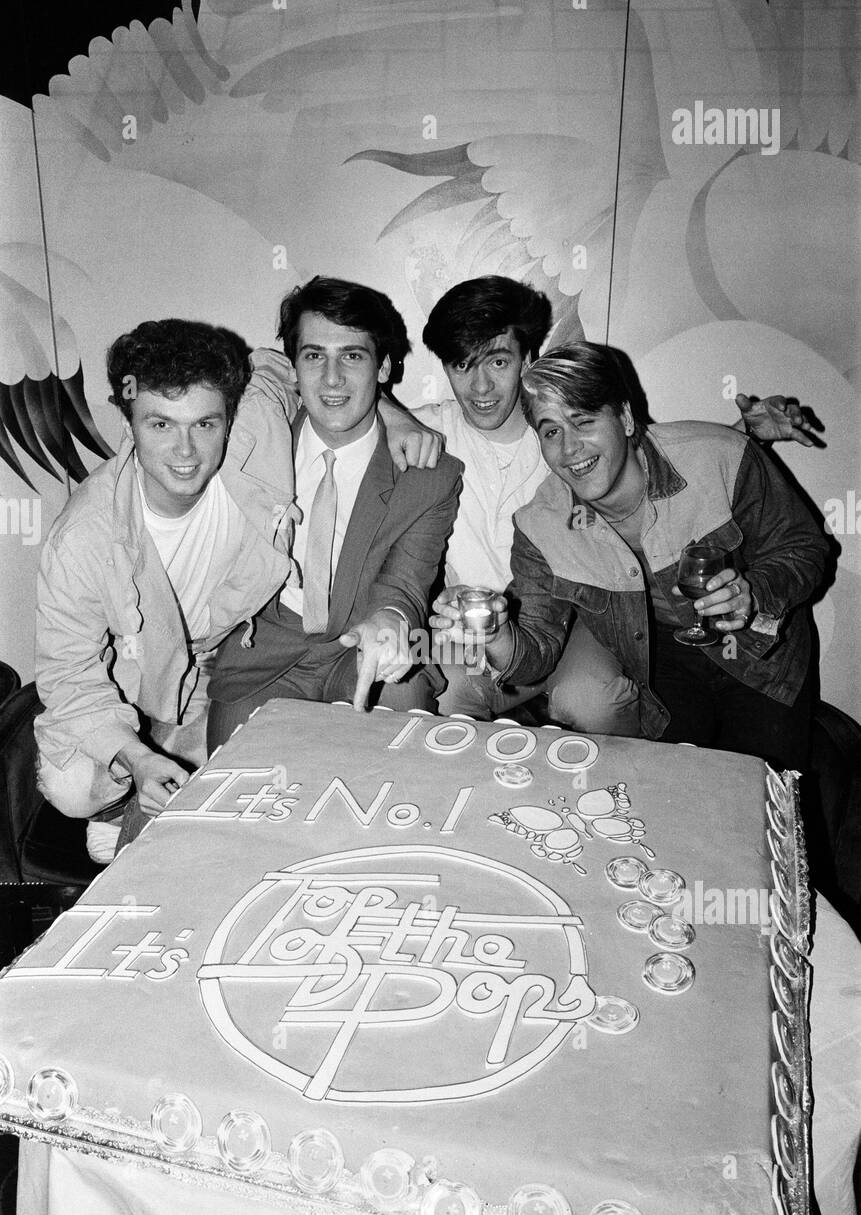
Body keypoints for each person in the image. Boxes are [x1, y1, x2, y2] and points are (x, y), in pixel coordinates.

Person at [35, 317, 441, 861]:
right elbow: (67, 674)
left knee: (258, 784)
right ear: (128, 424)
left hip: (216, 663)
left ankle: (171, 770)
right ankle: (124, 796)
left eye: (205, 424)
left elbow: (292, 369)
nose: (185, 451)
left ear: (230, 416)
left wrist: (394, 416)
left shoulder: (254, 422)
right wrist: (132, 755)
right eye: (160, 425)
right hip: (136, 675)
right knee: (72, 783)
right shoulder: (82, 537)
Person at [419, 275, 822, 730]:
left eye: (496, 361)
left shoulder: (703, 454)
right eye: (461, 365)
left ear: (526, 359)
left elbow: (676, 465)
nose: (481, 386)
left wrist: (739, 440)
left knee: (748, 774)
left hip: (747, 657)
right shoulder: (446, 451)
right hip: (623, 648)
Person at [205, 277, 463, 747]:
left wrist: (392, 620)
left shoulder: (429, 477)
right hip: (264, 654)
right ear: (295, 366)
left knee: (401, 747)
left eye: (352, 356)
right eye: (314, 356)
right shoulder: (250, 443)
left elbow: (406, 579)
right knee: (236, 800)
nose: (331, 378)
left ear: (383, 368)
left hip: (360, 647)